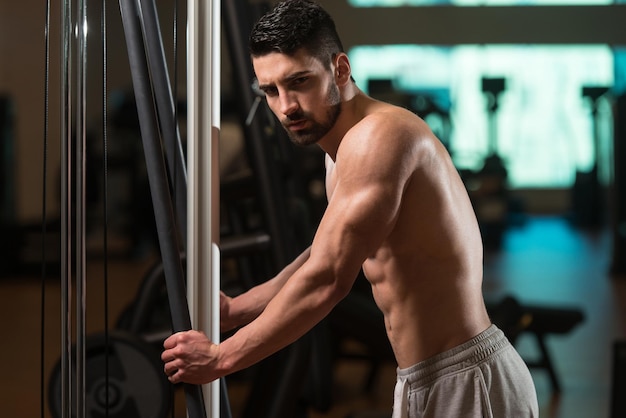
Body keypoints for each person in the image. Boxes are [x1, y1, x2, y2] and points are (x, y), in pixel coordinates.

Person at [161, 1, 539, 416]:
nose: (285, 106)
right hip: (422, 377)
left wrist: (222, 358)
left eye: (299, 81)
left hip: (465, 378)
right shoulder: (340, 152)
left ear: (340, 69)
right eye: (270, 91)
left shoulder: (379, 137)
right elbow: (323, 254)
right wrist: (238, 309)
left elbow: (328, 278)